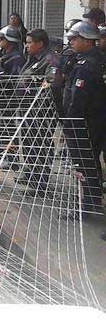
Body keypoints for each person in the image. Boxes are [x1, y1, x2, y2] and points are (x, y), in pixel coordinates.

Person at [62, 21, 106, 213]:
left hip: (84, 123)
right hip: (93, 122)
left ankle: (88, 204)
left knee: (84, 163)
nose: (71, 42)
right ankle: (92, 200)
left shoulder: (87, 65)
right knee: (89, 161)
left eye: (75, 39)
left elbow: (78, 100)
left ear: (88, 41)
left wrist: (69, 124)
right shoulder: (94, 59)